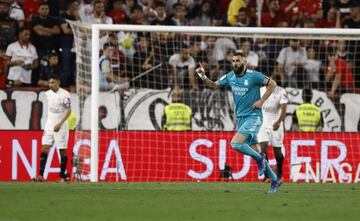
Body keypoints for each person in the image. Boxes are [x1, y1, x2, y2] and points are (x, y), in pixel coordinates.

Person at [196, 52, 282, 192]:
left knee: (236, 143)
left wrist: (261, 100)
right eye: (233, 61)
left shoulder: (254, 76)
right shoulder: (230, 76)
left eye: (237, 61)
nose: (234, 63)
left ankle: (260, 158)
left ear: (245, 62)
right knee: (253, 150)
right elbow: (213, 86)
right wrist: (203, 76)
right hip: (241, 119)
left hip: (254, 117)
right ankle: (274, 180)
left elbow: (273, 84)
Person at [33, 74, 71, 182]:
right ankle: (40, 175)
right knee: (44, 148)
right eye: (49, 83)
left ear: (58, 82)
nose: (50, 85)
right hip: (49, 125)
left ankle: (62, 176)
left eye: (53, 82)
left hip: (61, 126)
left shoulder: (65, 94)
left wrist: (60, 123)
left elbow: (68, 110)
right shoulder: (48, 94)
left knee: (62, 151)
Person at [258, 83, 288, 181]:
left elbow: (284, 108)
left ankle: (279, 171)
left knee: (277, 153)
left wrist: (279, 122)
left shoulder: (281, 91)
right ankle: (268, 175)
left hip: (276, 122)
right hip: (263, 121)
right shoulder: (260, 90)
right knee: (263, 148)